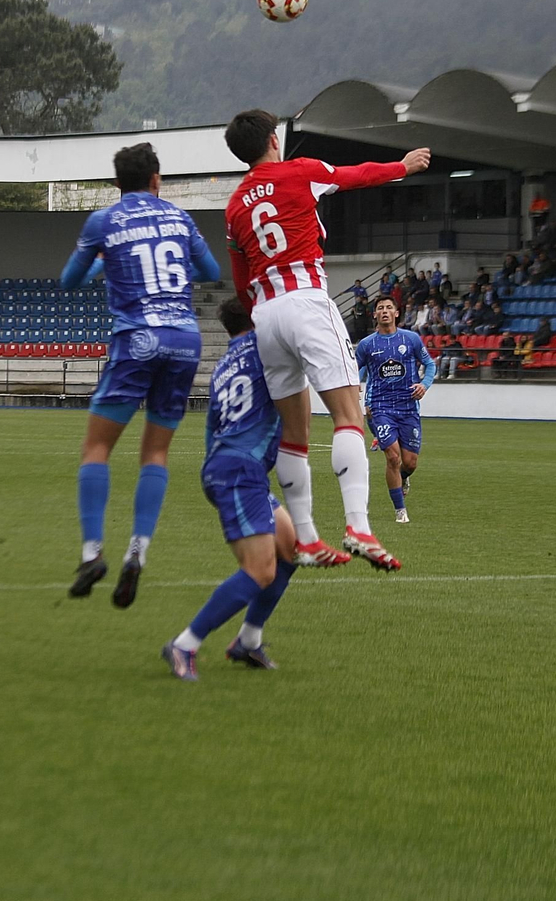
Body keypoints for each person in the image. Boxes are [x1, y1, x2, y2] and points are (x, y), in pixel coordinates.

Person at [223, 108, 430, 571]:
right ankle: (358, 525)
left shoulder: (235, 206)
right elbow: (356, 175)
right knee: (348, 416)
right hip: (305, 301)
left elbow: (240, 280)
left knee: (294, 436)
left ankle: (307, 538)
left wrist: (257, 316)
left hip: (265, 313)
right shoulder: (300, 172)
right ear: (274, 139)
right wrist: (403, 166)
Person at [60, 142, 222, 608]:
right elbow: (210, 271)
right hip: (185, 341)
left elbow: (69, 281)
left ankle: (93, 552)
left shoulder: (104, 221)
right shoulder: (180, 218)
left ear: (116, 185)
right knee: (155, 452)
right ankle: (138, 552)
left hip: (138, 339)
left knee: (97, 447)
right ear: (158, 179)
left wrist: (104, 261)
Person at [161, 300, 348, 681]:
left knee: (290, 549)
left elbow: (213, 424)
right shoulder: (269, 349)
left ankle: (248, 641)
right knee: (260, 570)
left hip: (229, 465)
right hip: (239, 471)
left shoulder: (224, 364)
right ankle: (185, 644)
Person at [356, 294, 436, 525]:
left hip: (408, 406)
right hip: (380, 407)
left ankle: (403, 478)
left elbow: (430, 364)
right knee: (392, 456)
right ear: (374, 314)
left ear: (396, 313)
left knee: (409, 462)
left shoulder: (410, 339)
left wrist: (424, 384)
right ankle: (400, 511)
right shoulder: (367, 344)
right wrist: (355, 388)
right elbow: (354, 368)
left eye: (389, 307)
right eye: (380, 308)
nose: (384, 311)